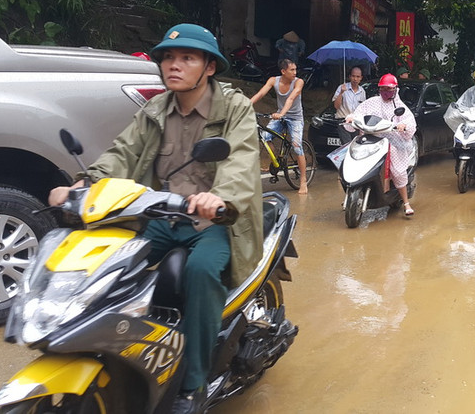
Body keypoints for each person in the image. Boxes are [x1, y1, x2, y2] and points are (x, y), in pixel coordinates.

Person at [47, 24, 262, 414]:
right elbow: (122, 153)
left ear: (209, 67)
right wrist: (83, 183)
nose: (173, 65)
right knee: (107, 265)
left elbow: (242, 159)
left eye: (186, 58)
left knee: (200, 272)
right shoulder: (155, 110)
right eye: (167, 57)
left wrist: (219, 197)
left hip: (214, 224)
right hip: (161, 217)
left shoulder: (235, 108)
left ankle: (195, 383)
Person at [346, 74, 417, 216]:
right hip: (370, 139)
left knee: (397, 170)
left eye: (389, 89)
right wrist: (351, 117)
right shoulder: (371, 102)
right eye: (383, 89)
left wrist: (403, 125)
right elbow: (358, 113)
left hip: (393, 140)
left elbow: (410, 121)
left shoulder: (399, 106)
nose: (386, 92)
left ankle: (406, 202)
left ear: (395, 90)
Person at [250, 58, 309, 194]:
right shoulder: (273, 80)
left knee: (296, 145)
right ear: (283, 71)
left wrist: (281, 113)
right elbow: (261, 93)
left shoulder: (298, 82)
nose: (295, 72)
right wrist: (247, 104)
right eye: (292, 70)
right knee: (265, 136)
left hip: (295, 118)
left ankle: (303, 180)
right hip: (280, 115)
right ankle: (275, 159)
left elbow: (290, 99)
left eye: (295, 69)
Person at [332, 65, 367, 144]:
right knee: (347, 146)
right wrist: (341, 92)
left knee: (355, 145)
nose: (355, 79)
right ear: (349, 76)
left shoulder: (362, 91)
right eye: (353, 76)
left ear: (361, 78)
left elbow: (363, 109)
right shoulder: (342, 88)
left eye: (358, 77)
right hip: (343, 121)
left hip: (356, 123)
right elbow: (336, 106)